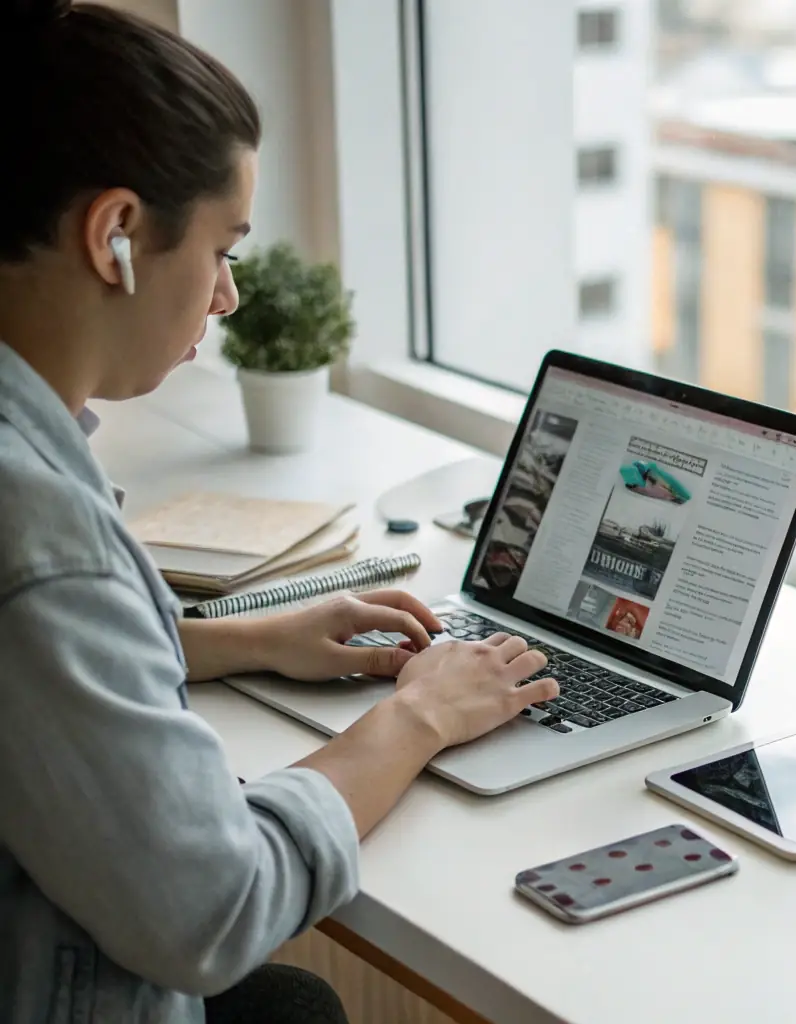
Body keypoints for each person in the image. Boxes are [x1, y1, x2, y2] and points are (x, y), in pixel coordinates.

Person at [0, 3, 559, 1021]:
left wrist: (240, 637)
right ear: (116, 235)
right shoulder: (36, 527)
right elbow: (213, 907)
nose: (227, 298)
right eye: (223, 248)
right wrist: (419, 716)